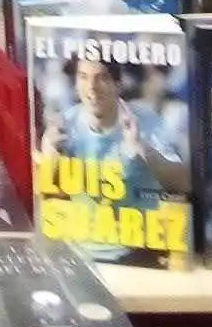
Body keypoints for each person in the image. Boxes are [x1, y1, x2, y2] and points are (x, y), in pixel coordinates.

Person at [40, 53, 188, 210]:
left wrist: (143, 149)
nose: (91, 87)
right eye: (83, 77)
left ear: (118, 84)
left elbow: (182, 184)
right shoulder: (65, 125)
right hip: (85, 224)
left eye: (101, 78)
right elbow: (47, 200)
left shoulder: (145, 122)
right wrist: (50, 158)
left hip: (137, 223)